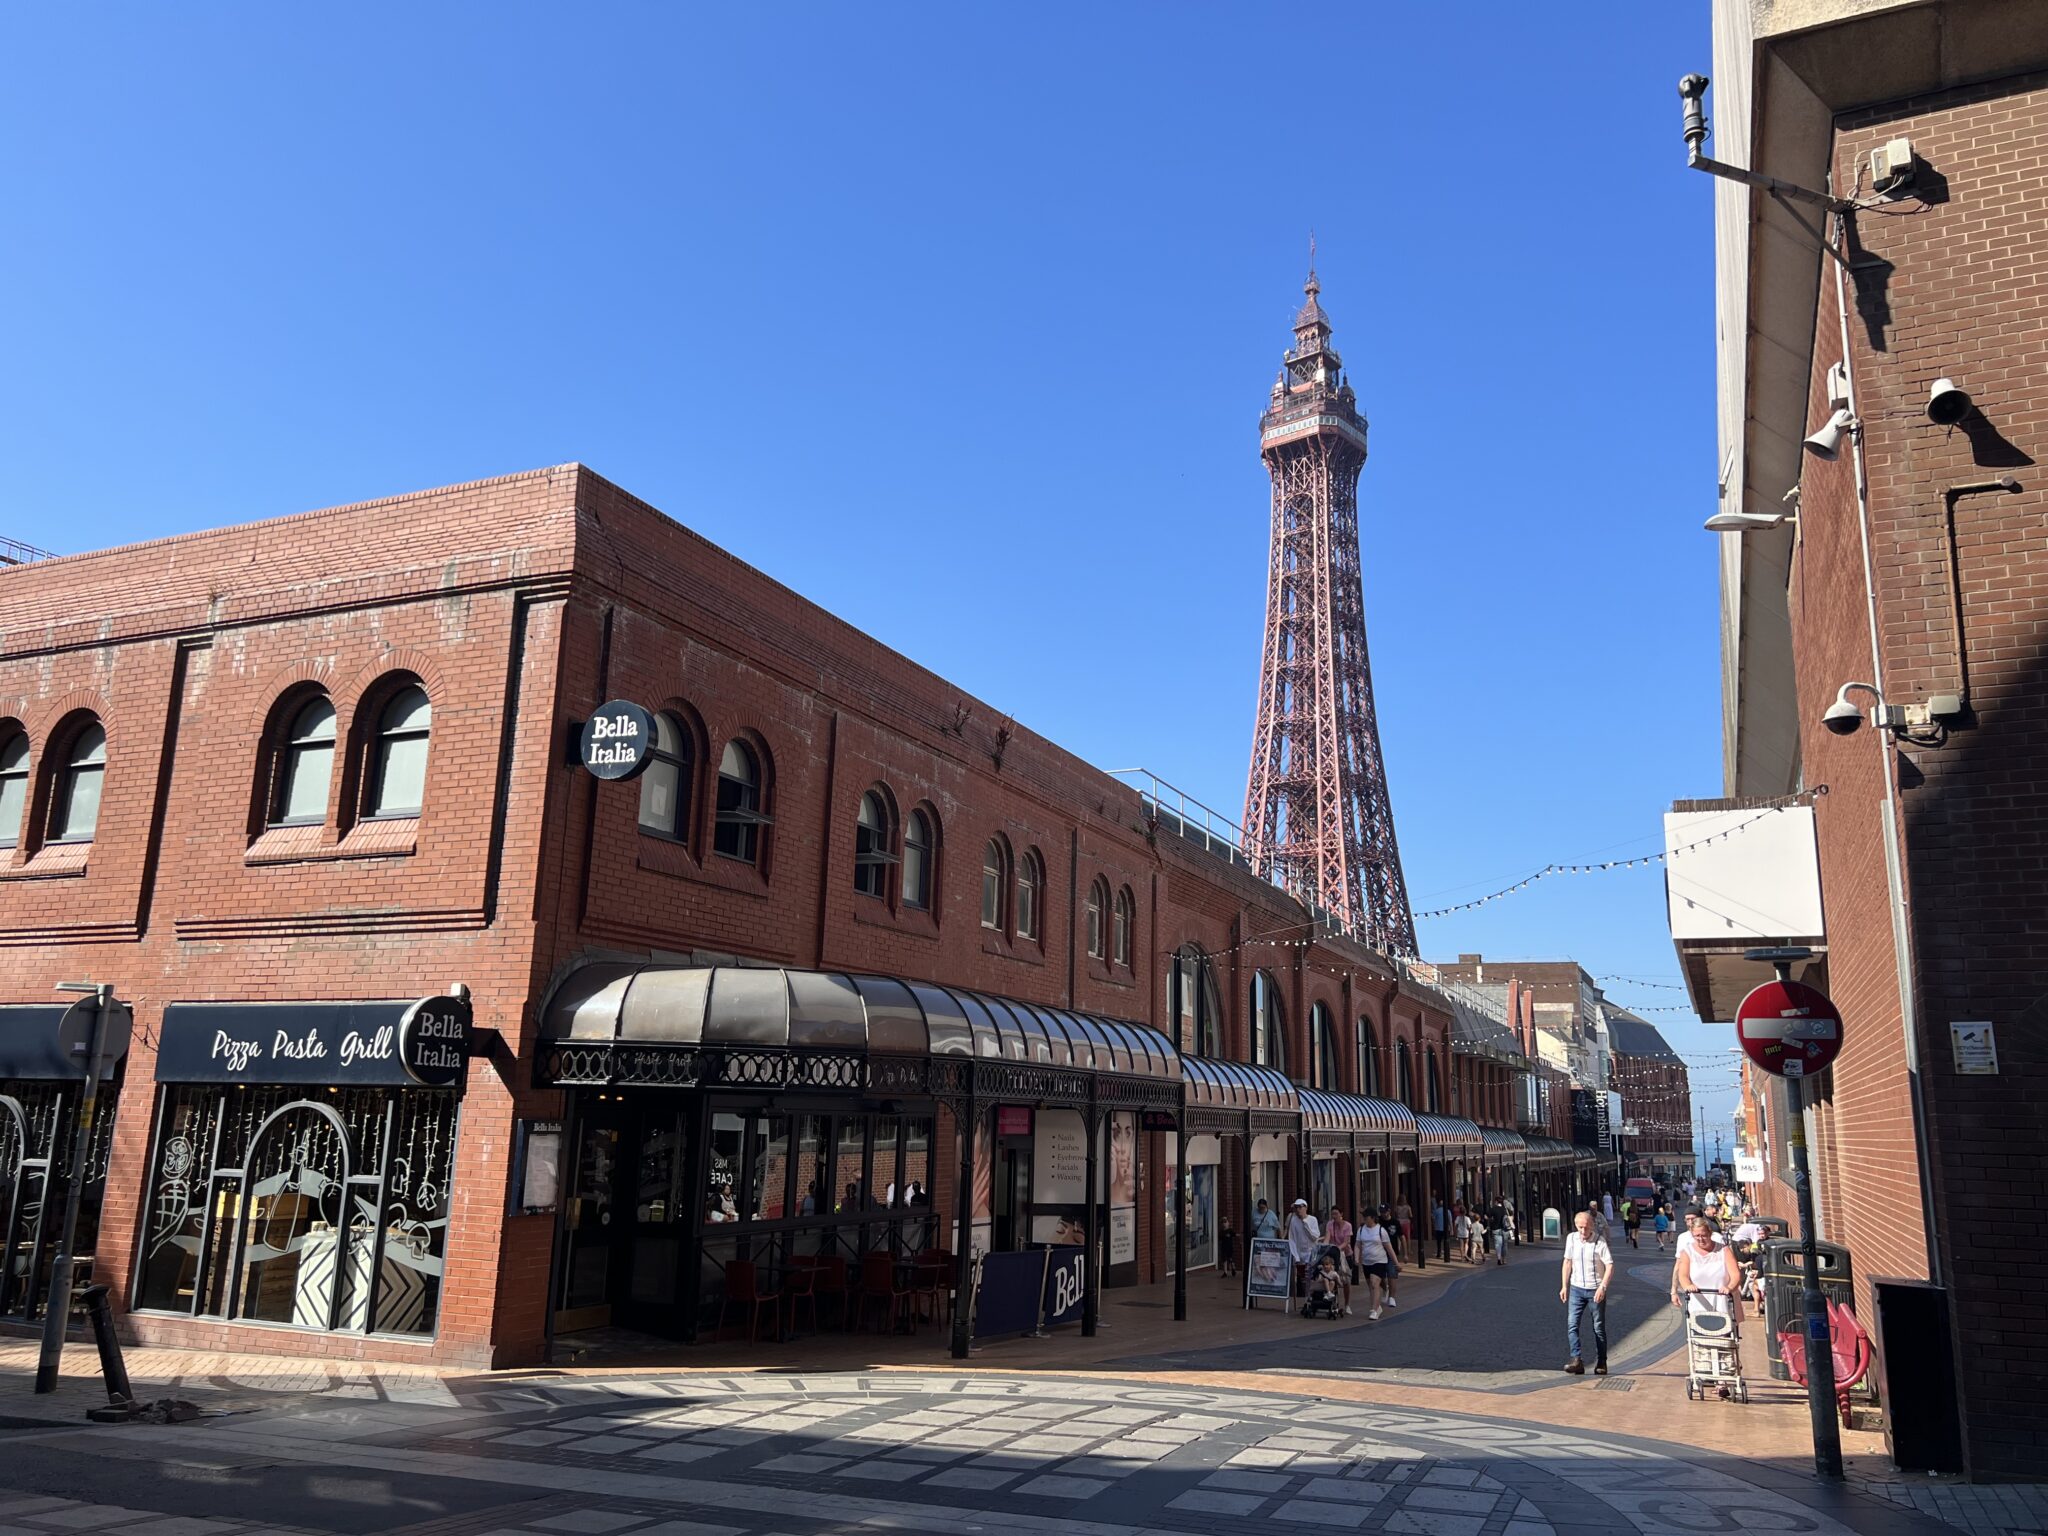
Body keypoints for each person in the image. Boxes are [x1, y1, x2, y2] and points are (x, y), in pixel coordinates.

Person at [1560, 1209, 1614, 1375]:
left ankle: (1602, 1361)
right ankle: (1576, 1359)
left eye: (1586, 1227)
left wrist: (1603, 1287)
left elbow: (1610, 1265)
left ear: (1592, 1226)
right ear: (1576, 1226)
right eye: (1580, 1227)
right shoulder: (1571, 1239)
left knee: (1598, 1327)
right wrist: (1564, 1286)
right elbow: (1567, 1262)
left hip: (1594, 1289)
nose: (1583, 1231)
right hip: (1576, 1288)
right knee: (1572, 1324)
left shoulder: (1600, 1242)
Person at [1672, 1213, 1740, 1321]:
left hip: (1723, 1301)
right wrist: (1688, 1285)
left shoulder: (1724, 1250)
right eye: (1697, 1236)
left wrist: (1729, 1287)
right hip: (1698, 1303)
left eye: (1704, 1235)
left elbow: (1735, 1274)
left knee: (1725, 1332)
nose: (1701, 1239)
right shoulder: (1687, 1252)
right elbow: (1683, 1275)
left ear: (1710, 1233)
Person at [1354, 1208, 1392, 1318]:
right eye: (1364, 1217)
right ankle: (1377, 1306)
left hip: (1379, 1260)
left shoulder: (1381, 1231)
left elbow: (1389, 1249)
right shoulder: (1361, 1230)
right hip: (1367, 1261)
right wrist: (1357, 1257)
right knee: (1371, 1286)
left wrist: (1396, 1263)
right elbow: (1357, 1245)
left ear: (1373, 1218)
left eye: (1366, 1217)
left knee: (1374, 1283)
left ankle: (1374, 1310)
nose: (1364, 1219)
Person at [1309, 1250, 1351, 1316]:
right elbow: (1318, 1280)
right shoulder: (1322, 1272)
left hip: (1331, 1287)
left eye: (1327, 1264)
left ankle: (1328, 1294)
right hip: (1321, 1287)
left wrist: (1339, 1283)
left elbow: (1339, 1282)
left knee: (1332, 1282)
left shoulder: (1334, 1273)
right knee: (1325, 1279)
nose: (1325, 1266)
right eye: (1324, 1265)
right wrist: (1321, 1279)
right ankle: (1328, 1293)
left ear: (1331, 1265)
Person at [1325, 1207, 1355, 1283]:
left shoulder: (1348, 1226)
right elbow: (1327, 1237)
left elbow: (1346, 1242)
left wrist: (1337, 1248)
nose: (1334, 1216)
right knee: (1332, 1275)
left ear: (1341, 1214)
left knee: (1346, 1279)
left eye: (1336, 1214)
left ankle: (1347, 1294)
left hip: (1346, 1254)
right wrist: (1325, 1246)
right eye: (1332, 1214)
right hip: (1334, 1254)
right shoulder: (1330, 1224)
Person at [1486, 1198, 1509, 1265]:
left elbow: (1486, 1216)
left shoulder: (1493, 1209)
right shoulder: (1504, 1209)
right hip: (1505, 1229)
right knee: (1505, 1245)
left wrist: (1491, 1220)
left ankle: (1499, 1259)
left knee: (1498, 1244)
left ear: (1496, 1201)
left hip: (1496, 1229)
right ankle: (1504, 1259)